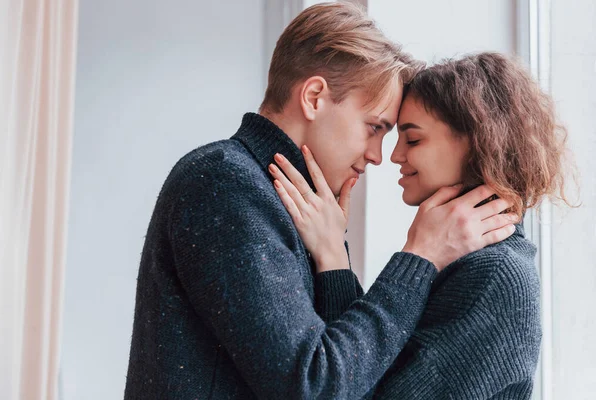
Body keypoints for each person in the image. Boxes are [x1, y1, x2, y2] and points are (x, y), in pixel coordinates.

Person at [123, 4, 517, 399]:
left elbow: (340, 373)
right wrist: (420, 259)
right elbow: (313, 385)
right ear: (313, 97)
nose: (379, 155)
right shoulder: (223, 183)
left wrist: (334, 261)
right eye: (374, 128)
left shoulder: (293, 201)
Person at [269, 52, 574, 399]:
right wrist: (333, 256)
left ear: (479, 143)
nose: (394, 156)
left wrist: (416, 258)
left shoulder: (496, 275)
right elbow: (357, 378)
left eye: (412, 139)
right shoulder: (463, 261)